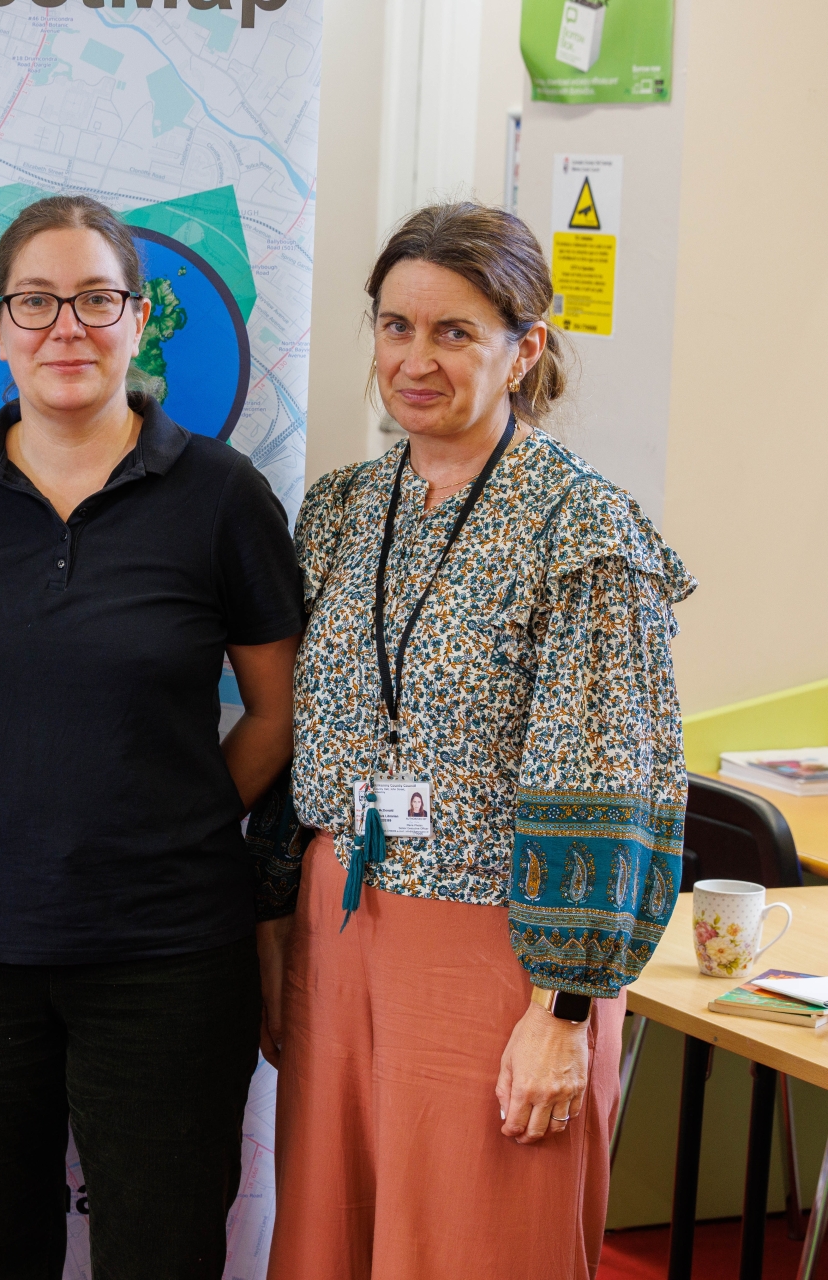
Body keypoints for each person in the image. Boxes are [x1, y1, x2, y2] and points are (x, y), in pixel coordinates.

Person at [0, 195, 305, 1280]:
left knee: (164, 1252)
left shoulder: (221, 496)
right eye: (37, 302)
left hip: (169, 958)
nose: (67, 328)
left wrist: (178, 808)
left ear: (140, 319)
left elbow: (279, 712)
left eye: (97, 299)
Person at [267, 203, 695, 1280]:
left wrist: (563, 1008)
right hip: (343, 917)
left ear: (524, 349)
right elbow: (307, 737)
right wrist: (275, 924)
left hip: (501, 947)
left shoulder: (584, 531)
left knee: (476, 1240)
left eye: (455, 331)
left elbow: (615, 778)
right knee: (334, 1237)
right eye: (397, 325)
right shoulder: (343, 509)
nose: (416, 358)